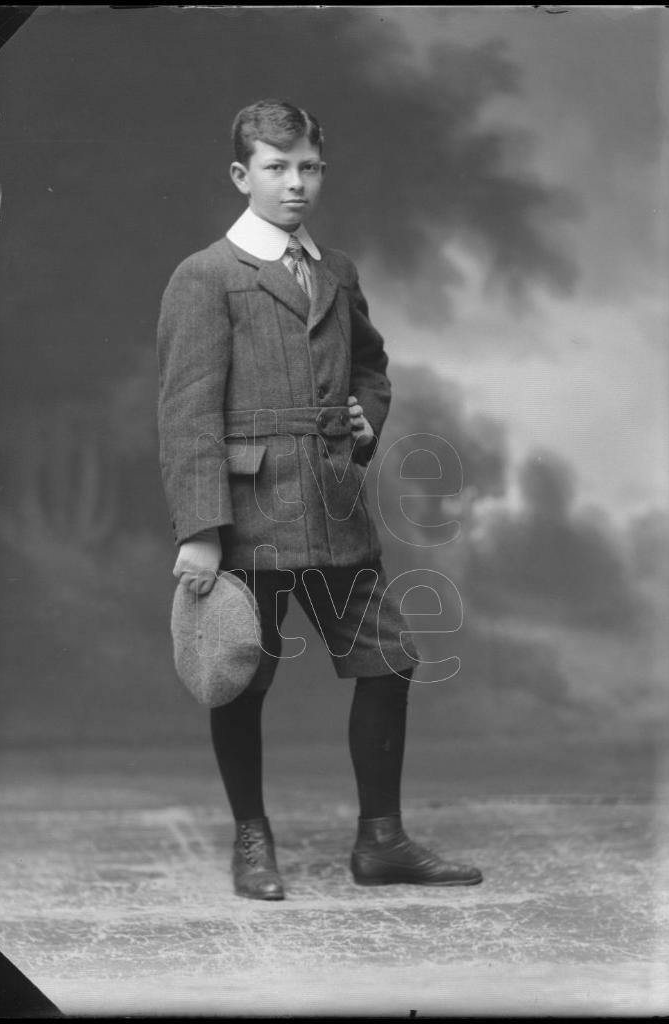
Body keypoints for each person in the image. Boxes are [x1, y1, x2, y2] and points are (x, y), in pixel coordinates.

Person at [156, 99, 482, 900]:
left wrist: (365, 422)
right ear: (242, 175)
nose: (294, 183)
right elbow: (187, 411)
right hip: (251, 514)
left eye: (307, 167)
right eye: (276, 166)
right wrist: (201, 528)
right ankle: (250, 839)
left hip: (335, 505)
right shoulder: (206, 276)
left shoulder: (335, 269)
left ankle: (381, 842)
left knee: (390, 660)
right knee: (239, 673)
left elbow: (370, 366)